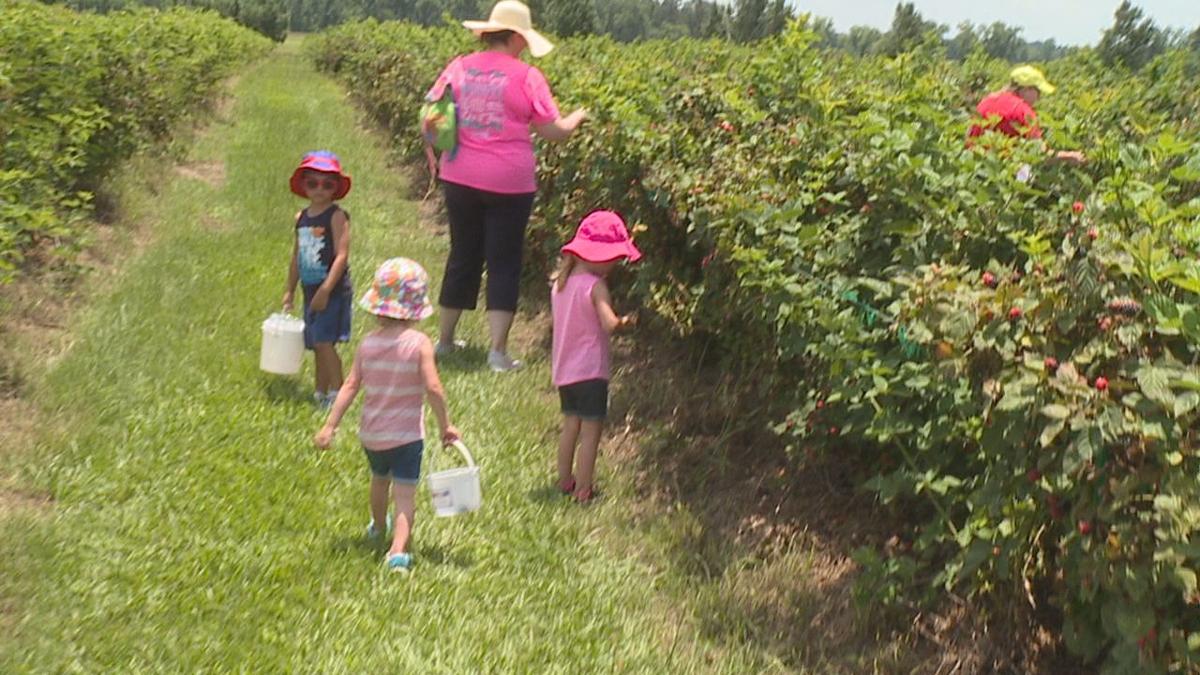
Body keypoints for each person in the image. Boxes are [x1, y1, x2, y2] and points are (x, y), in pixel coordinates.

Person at [423, 0, 588, 372]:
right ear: (515, 37)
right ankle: (497, 353)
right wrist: (577, 117)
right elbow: (553, 131)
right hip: (509, 183)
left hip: (459, 175)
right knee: (503, 262)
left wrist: (432, 149)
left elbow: (431, 113)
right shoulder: (527, 76)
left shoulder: (460, 66)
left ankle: (445, 341)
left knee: (462, 255)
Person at [315, 258, 461, 573]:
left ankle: (379, 526)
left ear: (378, 306)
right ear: (415, 308)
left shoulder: (368, 344)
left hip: (373, 435)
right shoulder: (419, 344)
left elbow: (350, 386)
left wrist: (330, 425)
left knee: (379, 481)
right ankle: (397, 552)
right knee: (405, 494)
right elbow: (433, 387)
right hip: (406, 436)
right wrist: (445, 425)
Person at [550, 211, 641, 503]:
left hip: (565, 370)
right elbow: (609, 323)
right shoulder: (595, 286)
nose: (614, 265)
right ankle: (584, 490)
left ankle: (565, 481)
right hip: (591, 371)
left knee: (570, 426)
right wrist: (628, 320)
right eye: (614, 259)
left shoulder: (561, 283)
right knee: (591, 433)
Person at [282, 151, 353, 407]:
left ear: (336, 188)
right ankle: (320, 392)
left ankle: (339, 393)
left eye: (327, 184)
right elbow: (297, 256)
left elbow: (342, 255)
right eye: (313, 183)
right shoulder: (301, 218)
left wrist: (326, 289)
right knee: (315, 343)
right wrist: (290, 290)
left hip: (332, 289)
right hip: (309, 288)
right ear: (304, 185)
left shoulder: (336, 216)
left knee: (325, 342)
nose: (319, 189)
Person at [968, 65, 1085, 164]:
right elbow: (1040, 154)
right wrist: (1068, 156)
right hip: (1004, 168)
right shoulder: (1023, 111)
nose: (1039, 98)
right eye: (1038, 92)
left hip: (975, 164)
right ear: (1026, 89)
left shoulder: (986, 100)